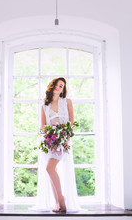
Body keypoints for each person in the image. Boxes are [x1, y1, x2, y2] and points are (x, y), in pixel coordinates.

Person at [34, 77, 81, 213]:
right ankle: (57, 202)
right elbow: (43, 126)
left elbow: (71, 122)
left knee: (50, 168)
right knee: (50, 170)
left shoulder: (67, 102)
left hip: (64, 140)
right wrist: (49, 137)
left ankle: (61, 200)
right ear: (52, 86)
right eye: (57, 84)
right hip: (50, 141)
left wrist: (66, 138)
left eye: (61, 86)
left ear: (63, 90)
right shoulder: (44, 106)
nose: (58, 87)